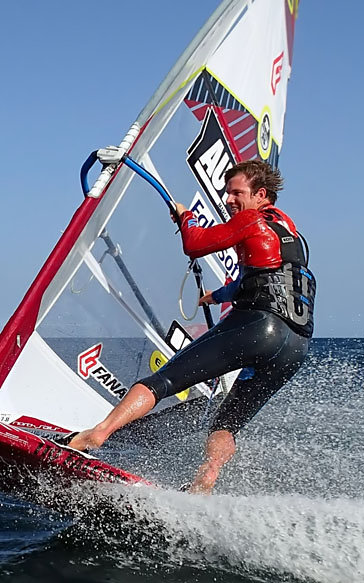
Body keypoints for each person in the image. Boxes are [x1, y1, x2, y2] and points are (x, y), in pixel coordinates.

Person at [67, 159, 316, 494]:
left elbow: (195, 244)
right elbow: (266, 277)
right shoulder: (293, 237)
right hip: (295, 346)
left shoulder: (251, 218)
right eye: (227, 192)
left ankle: (96, 434)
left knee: (163, 380)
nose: (229, 199)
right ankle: (206, 480)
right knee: (227, 423)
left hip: (258, 327)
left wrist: (186, 218)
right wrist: (217, 296)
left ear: (260, 195)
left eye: (236, 192)